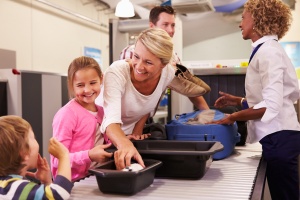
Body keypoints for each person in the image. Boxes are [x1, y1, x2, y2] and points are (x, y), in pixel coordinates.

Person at [211, 0, 300, 199]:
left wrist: (234, 117)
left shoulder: (269, 51)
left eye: (243, 17)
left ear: (258, 19)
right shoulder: (266, 49)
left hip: (279, 136)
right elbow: (268, 98)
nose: (240, 23)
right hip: (279, 136)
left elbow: (271, 105)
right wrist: (238, 100)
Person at [98, 28, 210, 170]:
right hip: (100, 140)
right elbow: (110, 123)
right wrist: (126, 145)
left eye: (148, 62)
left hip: (128, 141)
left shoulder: (168, 73)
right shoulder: (117, 72)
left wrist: (136, 134)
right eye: (136, 56)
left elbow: (147, 103)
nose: (139, 66)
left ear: (163, 64)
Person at [119, 5, 209, 110]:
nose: (170, 30)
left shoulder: (173, 56)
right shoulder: (131, 52)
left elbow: (189, 89)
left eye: (173, 25)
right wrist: (167, 71)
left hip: (146, 114)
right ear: (152, 26)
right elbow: (136, 86)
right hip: (125, 113)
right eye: (165, 24)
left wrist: (208, 113)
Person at [51, 56, 113, 181]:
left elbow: (103, 141)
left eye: (92, 83)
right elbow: (57, 160)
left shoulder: (102, 111)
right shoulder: (67, 114)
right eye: (80, 85)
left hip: (95, 178)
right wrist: (89, 156)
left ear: (101, 79)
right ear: (71, 85)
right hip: (72, 183)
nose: (87, 90)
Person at [0, 115, 73, 199]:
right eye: (33, 138)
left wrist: (46, 182)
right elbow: (58, 194)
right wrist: (64, 156)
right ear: (25, 153)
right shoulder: (15, 187)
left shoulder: (6, 186)